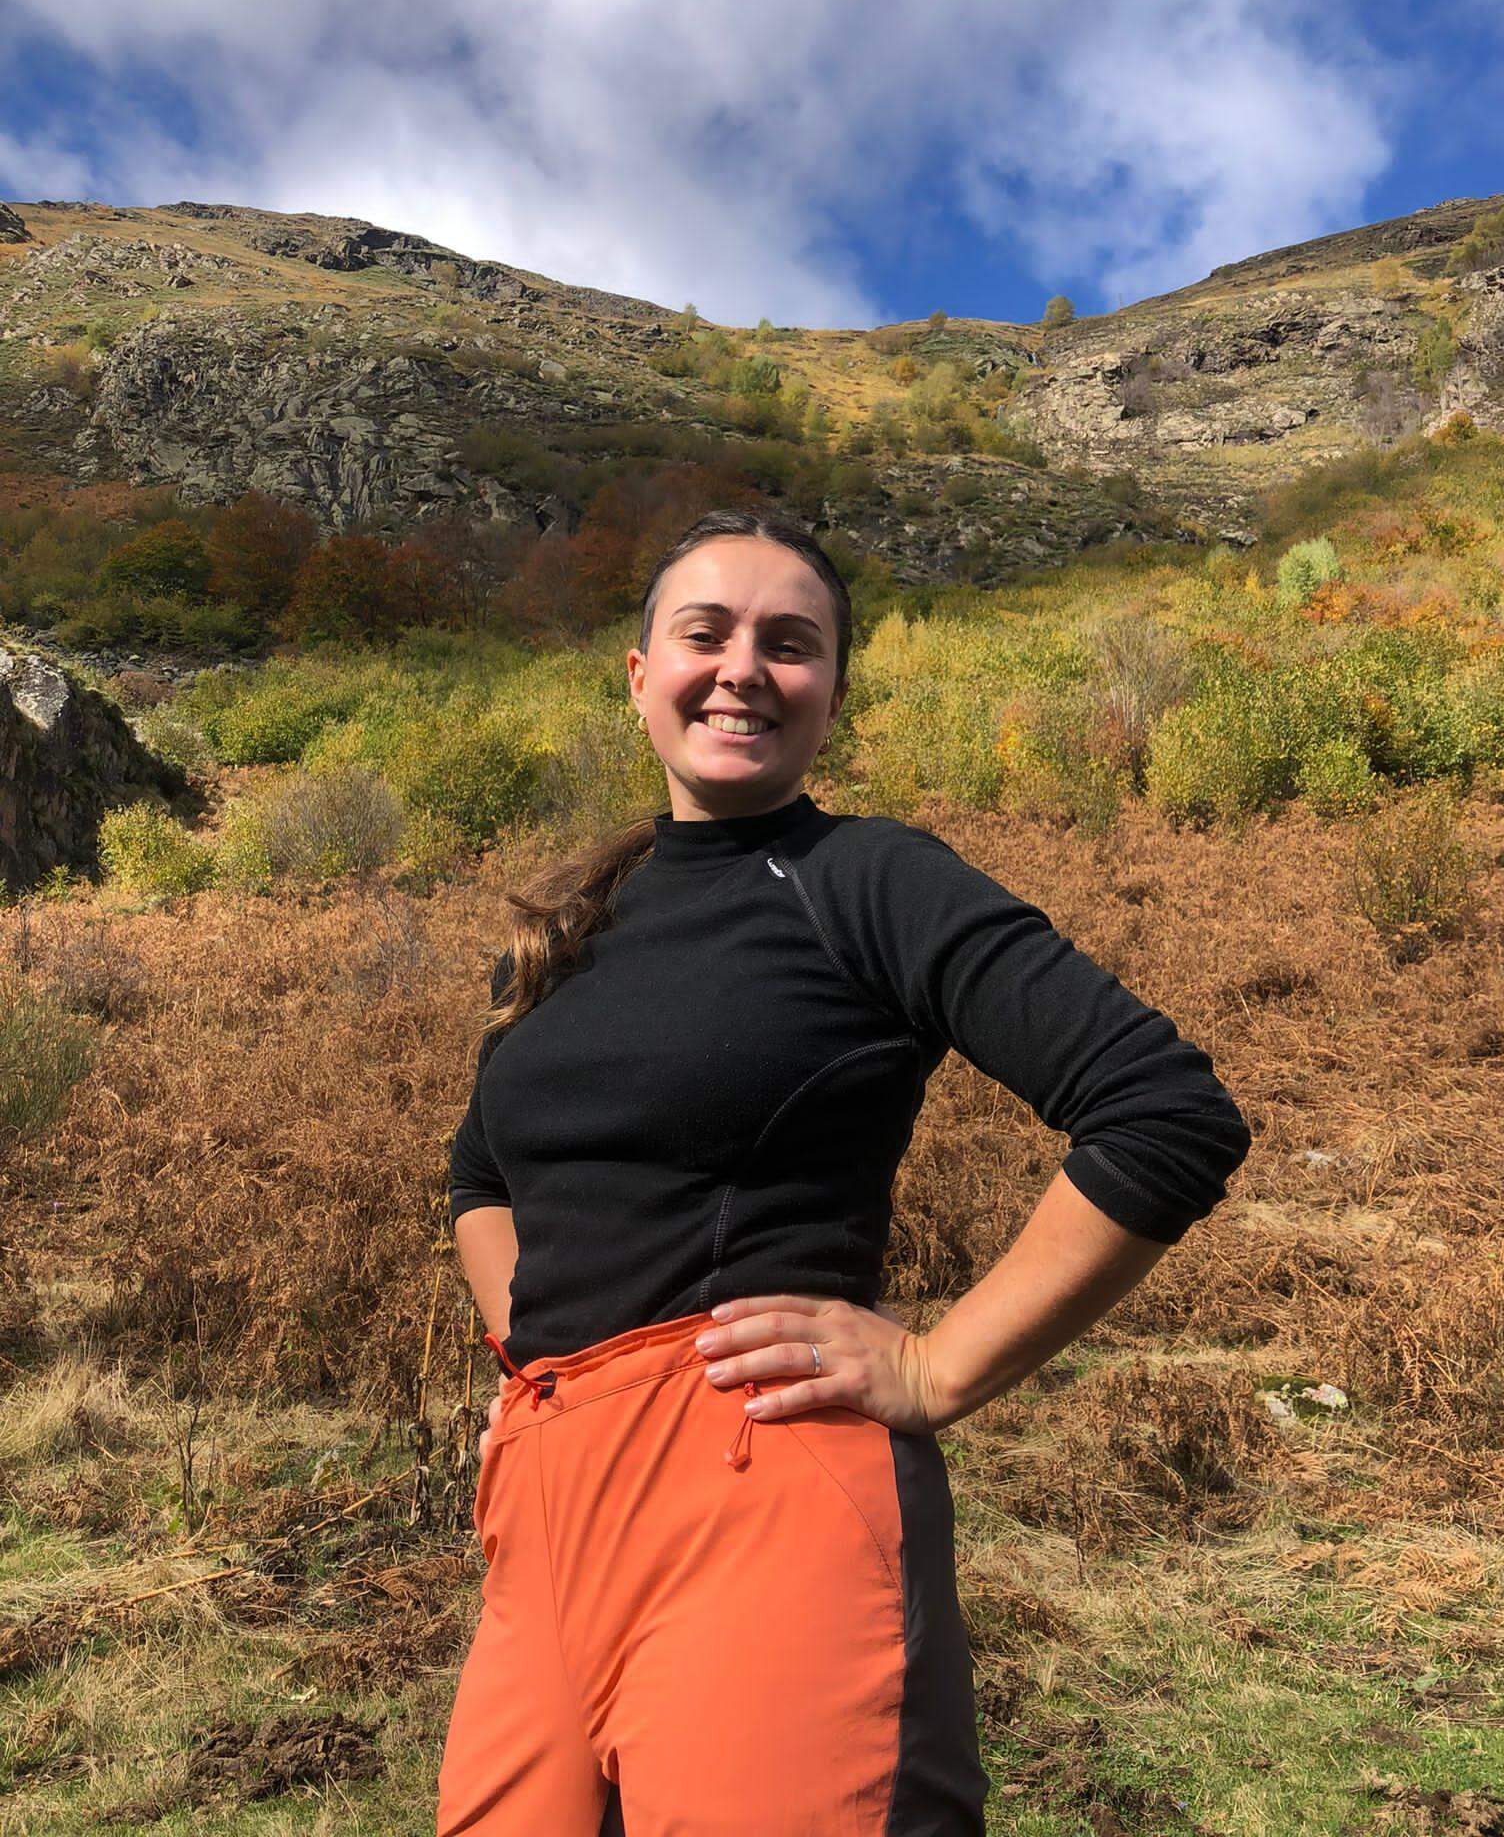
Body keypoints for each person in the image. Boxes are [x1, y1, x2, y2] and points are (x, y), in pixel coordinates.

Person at [436, 507, 1252, 1837]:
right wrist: (539, 1370)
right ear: (640, 674)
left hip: (758, 1482)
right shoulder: (565, 934)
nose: (743, 669)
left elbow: (1164, 1112)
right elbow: (481, 1178)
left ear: (831, 693)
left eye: (790, 643)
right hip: (543, 1515)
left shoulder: (868, 879)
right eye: (706, 633)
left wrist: (938, 1369)